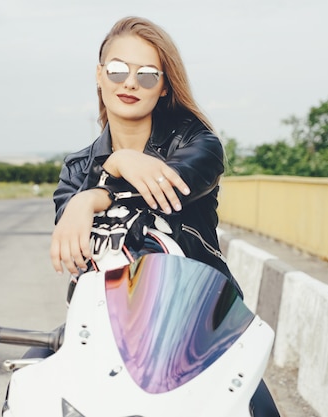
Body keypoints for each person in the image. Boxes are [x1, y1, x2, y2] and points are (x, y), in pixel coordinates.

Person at [49, 16, 280, 416]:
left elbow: (169, 187)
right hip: (105, 332)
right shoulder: (77, 168)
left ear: (165, 85)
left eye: (148, 75)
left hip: (198, 328)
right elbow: (70, 244)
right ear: (100, 76)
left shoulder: (198, 144)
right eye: (118, 70)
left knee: (256, 405)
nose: (130, 83)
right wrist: (85, 195)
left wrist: (102, 187)